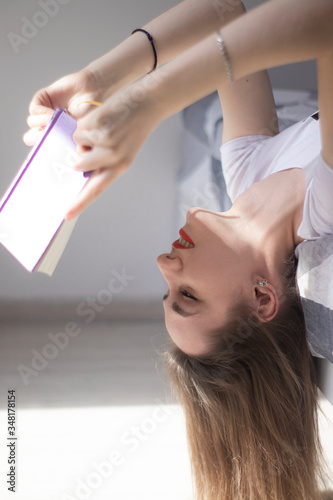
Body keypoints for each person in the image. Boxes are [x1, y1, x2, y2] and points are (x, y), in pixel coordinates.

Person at [24, 0, 333, 498]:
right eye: (187, 294)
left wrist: (99, 80)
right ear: (262, 298)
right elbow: (324, 23)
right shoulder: (326, 201)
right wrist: (150, 101)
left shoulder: (246, 173)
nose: (164, 265)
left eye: (166, 293)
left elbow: (223, 10)